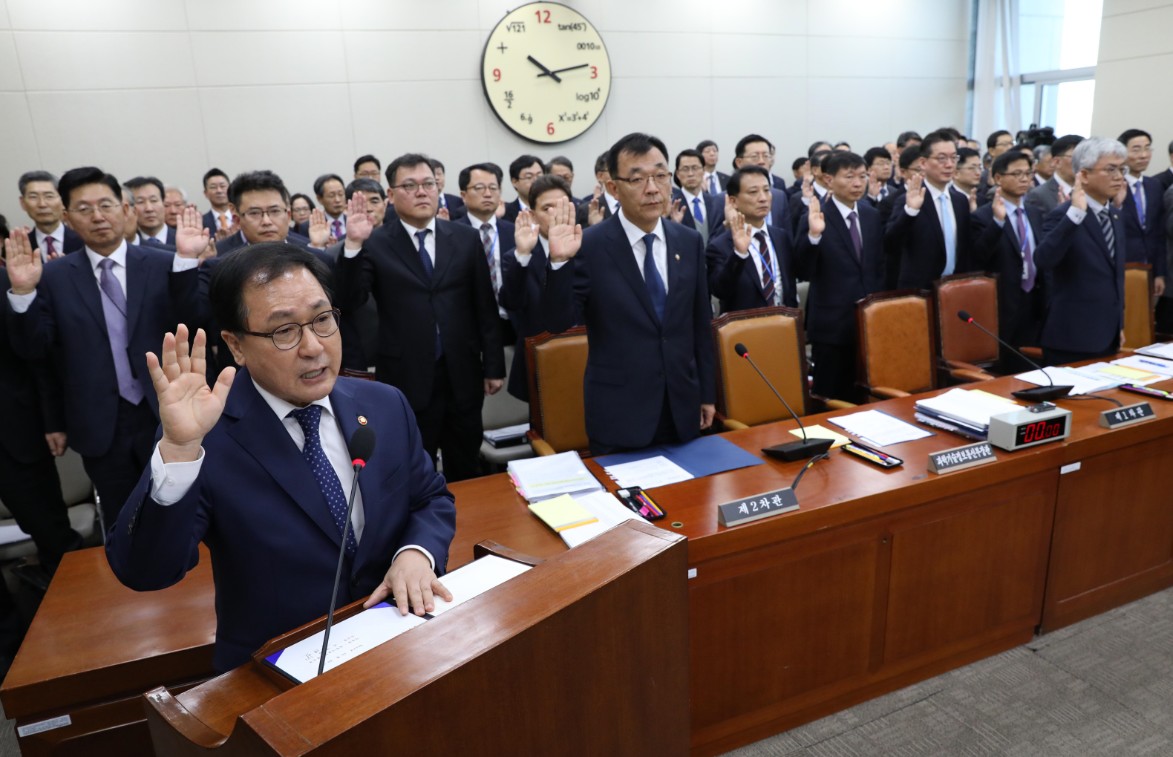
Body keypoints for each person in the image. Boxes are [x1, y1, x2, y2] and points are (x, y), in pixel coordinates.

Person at [105, 245, 456, 672]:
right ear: (235, 345)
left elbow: (430, 499)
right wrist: (178, 451)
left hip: (396, 642)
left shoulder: (383, 404)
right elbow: (146, 572)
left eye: (323, 319)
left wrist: (416, 553)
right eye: (283, 331)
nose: (313, 347)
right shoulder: (204, 438)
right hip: (277, 672)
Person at [4, 166, 206, 524]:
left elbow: (195, 323)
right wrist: (22, 294)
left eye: (106, 205)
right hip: (98, 424)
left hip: (165, 411)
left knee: (185, 511)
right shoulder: (52, 277)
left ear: (125, 210)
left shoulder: (165, 264)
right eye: (83, 209)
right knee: (122, 518)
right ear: (67, 217)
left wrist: (188, 262)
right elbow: (36, 352)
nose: (98, 217)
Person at [535, 132, 715, 454]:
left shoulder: (688, 241)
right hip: (620, 413)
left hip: (682, 406)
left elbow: (699, 323)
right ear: (614, 188)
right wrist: (560, 262)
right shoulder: (589, 245)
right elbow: (558, 322)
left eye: (660, 176)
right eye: (637, 179)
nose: (652, 188)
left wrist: (707, 394)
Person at [336, 153, 505, 482]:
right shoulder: (376, 243)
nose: (422, 192)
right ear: (391, 194)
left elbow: (484, 305)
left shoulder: (465, 238)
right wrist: (353, 245)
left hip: (462, 372)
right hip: (406, 376)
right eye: (410, 186)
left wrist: (494, 366)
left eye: (428, 184)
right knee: (414, 465)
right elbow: (348, 300)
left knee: (466, 464)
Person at [795, 152, 886, 403]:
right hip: (831, 327)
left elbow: (878, 267)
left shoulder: (871, 215)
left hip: (867, 323)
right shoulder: (815, 217)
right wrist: (814, 237)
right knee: (830, 399)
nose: (858, 183)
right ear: (828, 179)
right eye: (849, 177)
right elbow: (803, 270)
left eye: (862, 176)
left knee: (864, 396)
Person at [1034, 137, 1127, 366]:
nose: (1119, 176)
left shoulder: (1114, 214)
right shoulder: (1066, 215)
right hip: (1071, 338)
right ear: (1084, 175)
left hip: (1107, 335)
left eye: (1121, 169)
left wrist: (1119, 325)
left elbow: (1115, 277)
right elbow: (1044, 259)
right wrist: (1075, 215)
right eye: (1110, 169)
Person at [500, 174, 578, 401]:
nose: (555, 214)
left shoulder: (588, 247)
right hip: (538, 361)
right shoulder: (516, 256)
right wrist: (522, 255)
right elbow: (512, 302)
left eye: (561, 206)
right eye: (547, 208)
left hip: (585, 358)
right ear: (533, 215)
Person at [971, 150, 1047, 371]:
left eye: (1027, 173)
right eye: (1016, 173)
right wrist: (997, 222)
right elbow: (978, 257)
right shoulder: (983, 217)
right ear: (997, 178)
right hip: (1002, 303)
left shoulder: (1035, 213)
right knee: (1004, 367)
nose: (1024, 179)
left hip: (1034, 301)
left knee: (1032, 367)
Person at [886, 130, 972, 290]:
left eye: (954, 158)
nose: (949, 164)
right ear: (923, 163)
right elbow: (891, 244)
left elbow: (965, 250)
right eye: (941, 158)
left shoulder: (960, 201)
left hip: (954, 288)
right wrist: (910, 212)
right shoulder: (908, 199)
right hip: (919, 291)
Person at [706, 166, 797, 314]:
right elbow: (720, 291)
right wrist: (739, 254)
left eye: (767, 190)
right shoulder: (719, 246)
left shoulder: (781, 236)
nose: (763, 198)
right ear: (733, 201)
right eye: (753, 192)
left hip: (785, 325)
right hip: (746, 329)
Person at [457, 163, 516, 347]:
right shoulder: (452, 234)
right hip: (469, 328)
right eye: (479, 188)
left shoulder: (516, 232)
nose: (488, 193)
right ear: (463, 195)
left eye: (493, 188)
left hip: (512, 324)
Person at [1116, 129, 1166, 296]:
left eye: (1147, 148)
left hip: (1148, 269)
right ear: (1122, 153)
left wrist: (1159, 273)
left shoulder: (1154, 185)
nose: (1144, 155)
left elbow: (1159, 233)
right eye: (1136, 149)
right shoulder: (1113, 185)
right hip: (1119, 266)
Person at [17, 171, 83, 259]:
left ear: (63, 200)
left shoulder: (84, 240)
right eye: (33, 197)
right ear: (23, 203)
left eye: (49, 196)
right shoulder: (19, 247)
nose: (42, 204)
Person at [670, 149, 720, 245]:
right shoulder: (672, 206)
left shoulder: (715, 202)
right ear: (677, 174)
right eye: (685, 169)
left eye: (695, 168)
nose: (690, 174)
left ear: (703, 170)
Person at [124, 176, 177, 247]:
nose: (149, 209)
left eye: (154, 200)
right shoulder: (126, 242)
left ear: (163, 202)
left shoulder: (182, 239)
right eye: (140, 202)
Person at [502, 155, 544, 223]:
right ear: (514, 182)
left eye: (539, 176)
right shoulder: (505, 213)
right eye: (529, 177)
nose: (536, 181)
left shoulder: (554, 209)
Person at [201, 168, 236, 239]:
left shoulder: (241, 218)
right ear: (205, 193)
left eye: (222, 186)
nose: (219, 191)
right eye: (213, 187)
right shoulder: (201, 222)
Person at [314, 173, 347, 243]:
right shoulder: (310, 227)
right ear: (319, 199)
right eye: (331, 196)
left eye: (341, 194)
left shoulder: (355, 222)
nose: (337, 200)